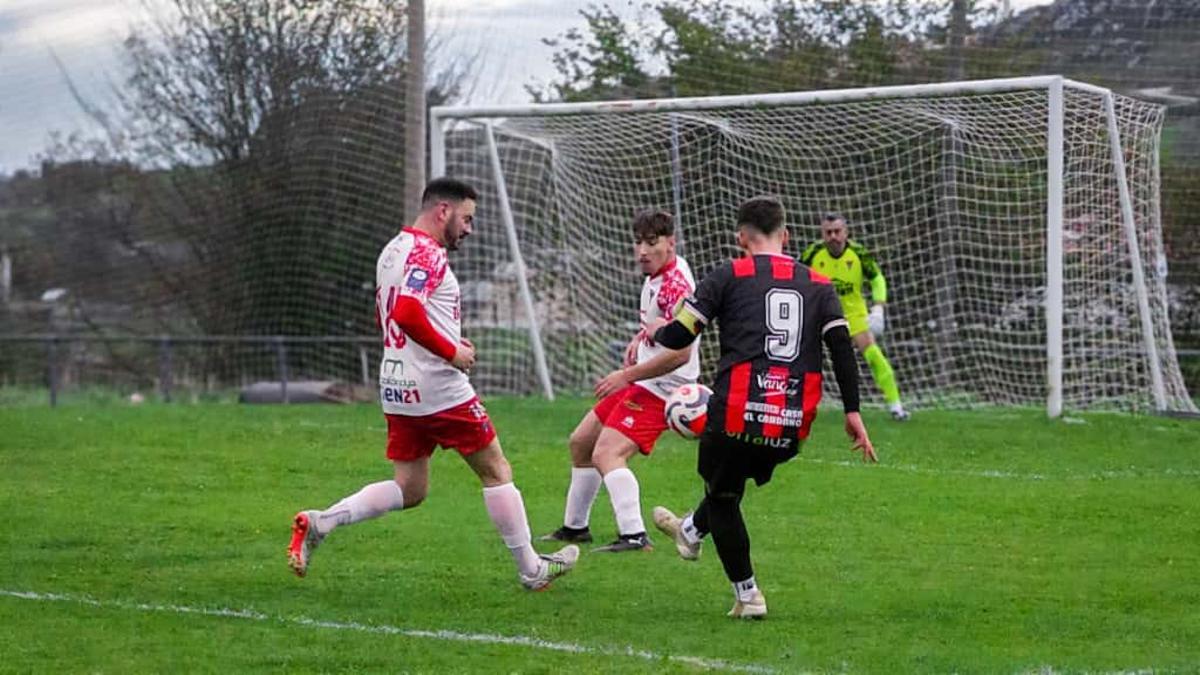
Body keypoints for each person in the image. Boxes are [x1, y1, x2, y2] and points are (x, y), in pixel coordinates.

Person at [287, 177, 579, 591]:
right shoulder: (428, 253)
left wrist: (446, 339)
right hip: (438, 386)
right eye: (466, 218)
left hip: (397, 381)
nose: (469, 229)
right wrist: (451, 352)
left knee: (410, 488)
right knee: (496, 469)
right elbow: (407, 312)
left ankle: (323, 520)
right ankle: (532, 569)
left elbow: (394, 317)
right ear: (442, 211)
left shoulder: (394, 249)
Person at [650, 196, 877, 619]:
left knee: (722, 495)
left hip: (735, 412)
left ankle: (748, 594)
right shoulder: (818, 284)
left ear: (742, 239)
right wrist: (852, 412)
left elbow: (680, 336)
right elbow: (842, 349)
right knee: (731, 478)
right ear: (786, 235)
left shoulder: (728, 275)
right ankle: (689, 531)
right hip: (790, 422)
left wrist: (654, 333)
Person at [540, 209, 700, 552]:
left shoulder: (675, 286)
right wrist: (641, 339)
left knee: (607, 453)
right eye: (638, 242)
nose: (642, 251)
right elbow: (661, 327)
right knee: (581, 442)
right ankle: (575, 528)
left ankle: (635, 536)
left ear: (671, 243)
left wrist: (626, 375)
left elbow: (681, 354)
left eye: (651, 243)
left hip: (662, 390)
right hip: (645, 382)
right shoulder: (658, 275)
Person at [800, 213, 909, 421]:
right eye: (828, 232)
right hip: (820, 315)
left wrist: (878, 308)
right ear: (822, 234)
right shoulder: (812, 253)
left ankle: (896, 406)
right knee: (804, 356)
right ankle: (796, 404)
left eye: (837, 231)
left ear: (846, 232)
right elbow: (796, 277)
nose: (833, 236)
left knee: (873, 355)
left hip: (853, 315)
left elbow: (877, 278)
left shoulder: (858, 253)